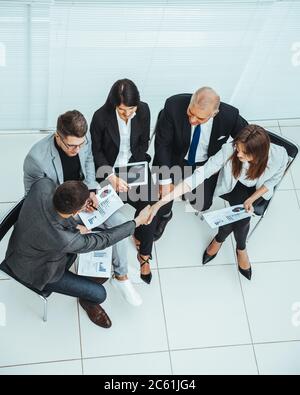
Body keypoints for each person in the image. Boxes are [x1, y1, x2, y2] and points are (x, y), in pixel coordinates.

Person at [23, 110, 142, 306]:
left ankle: (121, 275)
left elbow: (88, 161)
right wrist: (72, 214)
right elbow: (35, 202)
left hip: (83, 196)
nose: (77, 150)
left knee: (119, 222)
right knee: (96, 240)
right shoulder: (36, 160)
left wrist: (91, 190)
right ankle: (119, 274)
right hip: (61, 208)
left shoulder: (82, 138)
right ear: (57, 136)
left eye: (80, 144)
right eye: (71, 146)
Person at [2, 178, 151, 328]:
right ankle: (86, 301)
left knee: (98, 239)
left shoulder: (43, 185)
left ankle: (117, 274)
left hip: (25, 242)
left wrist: (73, 222)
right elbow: (103, 240)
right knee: (99, 294)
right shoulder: (65, 240)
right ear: (75, 212)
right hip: (36, 271)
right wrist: (137, 221)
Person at [149, 125, 288, 280]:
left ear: (259, 153)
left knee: (240, 217)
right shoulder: (229, 150)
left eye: (244, 152)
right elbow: (200, 175)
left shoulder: (280, 156)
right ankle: (241, 248)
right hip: (234, 185)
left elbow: (272, 182)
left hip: (257, 191)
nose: (238, 153)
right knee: (241, 217)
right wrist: (160, 203)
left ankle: (220, 240)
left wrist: (252, 198)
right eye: (238, 149)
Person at [152, 87, 248, 240]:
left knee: (201, 204)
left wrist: (223, 161)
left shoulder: (230, 115)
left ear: (214, 113)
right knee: (163, 197)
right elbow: (162, 145)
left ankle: (185, 194)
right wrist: (165, 181)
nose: (192, 120)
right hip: (174, 159)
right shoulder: (173, 105)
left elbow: (247, 140)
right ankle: (165, 216)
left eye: (200, 118)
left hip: (205, 165)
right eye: (191, 112)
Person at [90, 79, 157, 285]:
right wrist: (112, 176)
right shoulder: (100, 117)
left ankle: (144, 254)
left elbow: (143, 143)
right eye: (122, 111)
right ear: (113, 105)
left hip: (134, 167)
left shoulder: (143, 110)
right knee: (105, 215)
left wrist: (135, 173)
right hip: (110, 170)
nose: (127, 114)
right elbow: (96, 152)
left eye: (131, 109)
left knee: (149, 207)